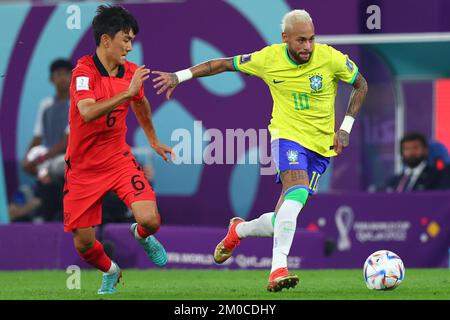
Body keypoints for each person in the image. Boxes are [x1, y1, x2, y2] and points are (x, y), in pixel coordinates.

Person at [152, 9, 368, 292]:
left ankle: (238, 230)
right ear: (285, 38)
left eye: (311, 39)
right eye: (301, 40)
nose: (307, 47)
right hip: (287, 137)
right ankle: (278, 268)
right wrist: (179, 77)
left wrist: (345, 128)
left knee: (282, 219)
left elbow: (360, 84)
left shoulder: (330, 58)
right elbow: (222, 65)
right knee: (298, 191)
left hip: (321, 147)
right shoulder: (269, 58)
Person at [65, 5, 173, 295]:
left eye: (132, 40)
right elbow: (87, 112)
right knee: (84, 245)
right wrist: (126, 92)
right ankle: (111, 271)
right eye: (125, 39)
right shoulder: (83, 71)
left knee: (150, 220)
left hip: (117, 159)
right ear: (105, 40)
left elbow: (140, 103)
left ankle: (140, 235)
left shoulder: (132, 72)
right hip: (83, 168)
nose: (129, 46)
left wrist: (152, 138)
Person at [22, 58, 72, 221]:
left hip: (68, 159)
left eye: (67, 74)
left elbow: (67, 141)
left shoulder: (77, 103)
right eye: (59, 74)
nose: (63, 78)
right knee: (42, 173)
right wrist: (28, 159)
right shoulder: (45, 105)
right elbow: (38, 137)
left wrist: (42, 159)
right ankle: (47, 215)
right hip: (49, 160)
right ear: (52, 79)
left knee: (54, 170)